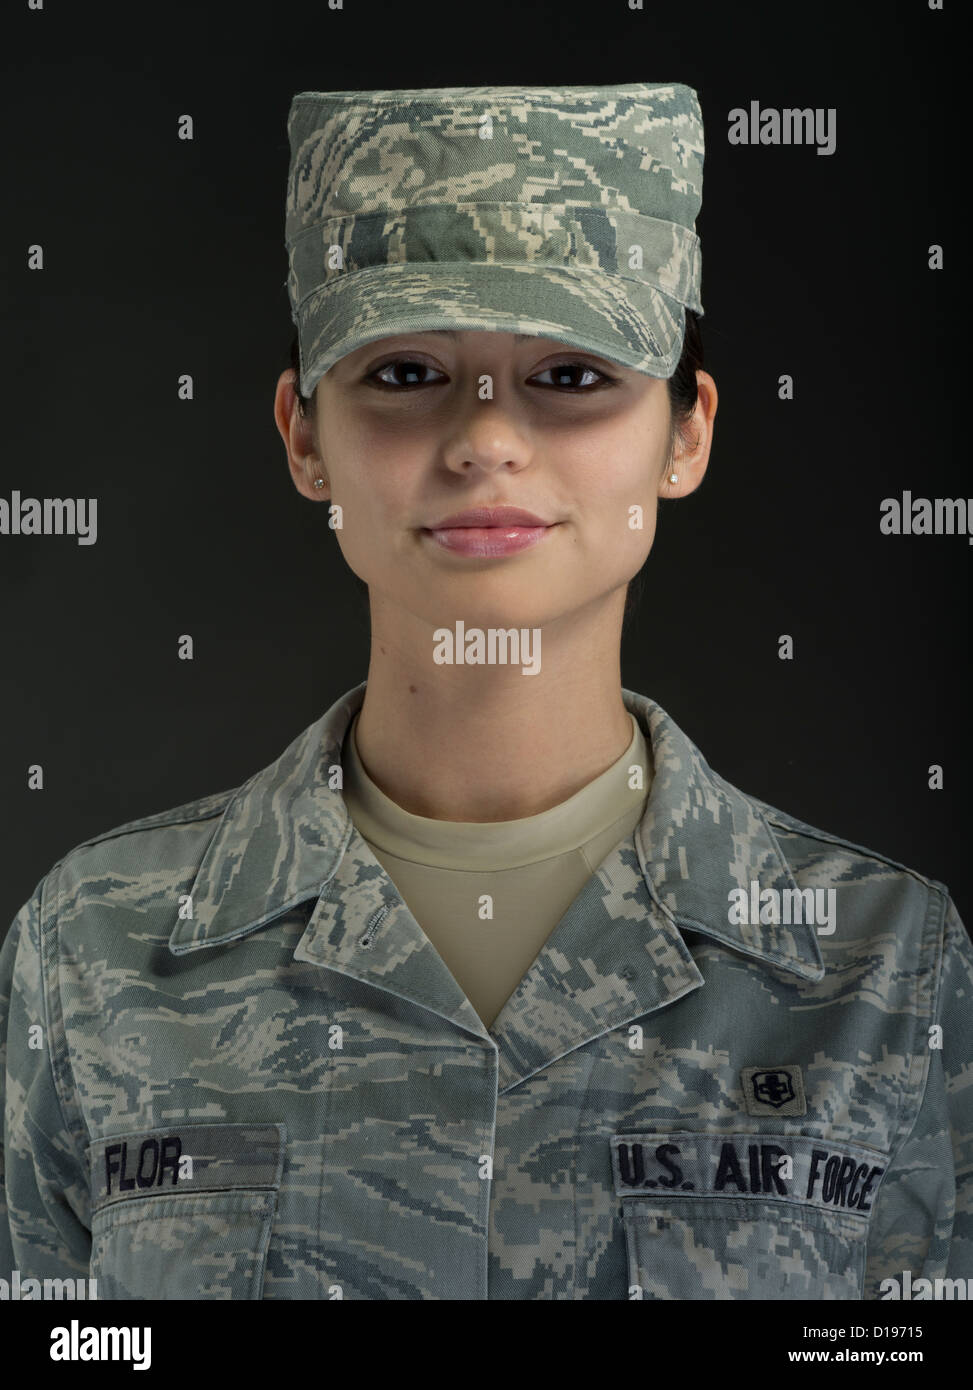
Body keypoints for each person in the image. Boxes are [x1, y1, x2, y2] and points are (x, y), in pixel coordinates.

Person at [1, 81, 970, 1302]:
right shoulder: (97, 947)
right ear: (304, 433)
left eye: (570, 375)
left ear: (686, 431)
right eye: (407, 371)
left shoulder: (882, 969)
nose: (485, 441)